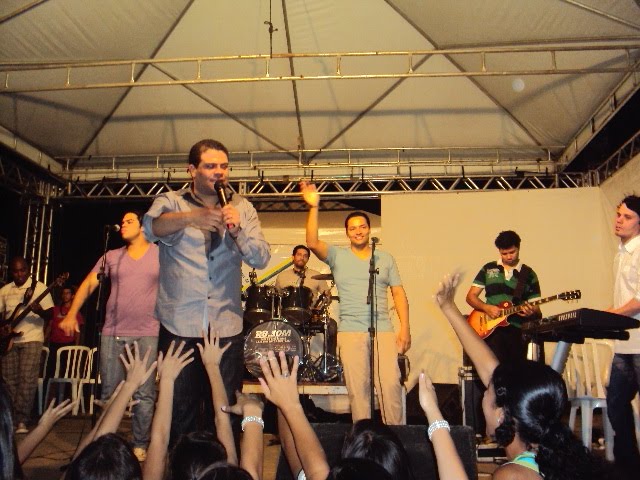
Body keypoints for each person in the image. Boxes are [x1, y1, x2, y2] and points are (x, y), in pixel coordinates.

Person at [143, 138, 270, 445]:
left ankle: (223, 465)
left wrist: (238, 232)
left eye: (224, 166)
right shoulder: (171, 201)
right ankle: (179, 464)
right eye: (210, 166)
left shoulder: (242, 207)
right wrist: (191, 217)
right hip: (179, 324)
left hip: (225, 325)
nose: (219, 172)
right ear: (192, 170)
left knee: (224, 409)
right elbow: (150, 229)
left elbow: (261, 258)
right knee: (178, 410)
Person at [437, 273, 614, 480]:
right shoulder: (556, 458)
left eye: (488, 391)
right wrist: (448, 307)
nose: (485, 390)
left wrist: (434, 418)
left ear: (501, 414)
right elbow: (488, 367)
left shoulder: (512, 475)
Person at [300, 181, 410, 424]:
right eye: (353, 228)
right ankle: (364, 437)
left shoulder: (385, 258)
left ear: (369, 229)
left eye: (362, 226)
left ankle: (396, 437)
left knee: (391, 386)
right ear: (347, 233)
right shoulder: (337, 256)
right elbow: (312, 242)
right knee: (358, 391)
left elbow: (399, 293)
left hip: (382, 330)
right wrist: (314, 207)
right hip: (350, 331)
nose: (358, 231)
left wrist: (405, 328)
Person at [59, 211, 160, 461]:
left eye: (129, 221)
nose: (123, 225)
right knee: (109, 393)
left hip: (147, 333)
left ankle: (140, 444)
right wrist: (71, 314)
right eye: (122, 222)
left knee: (144, 393)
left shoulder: (159, 254)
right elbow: (88, 284)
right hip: (113, 333)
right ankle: (106, 443)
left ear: (143, 227)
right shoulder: (112, 256)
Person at [465, 230, 541, 438]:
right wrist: (486, 308)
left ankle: (514, 428)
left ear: (518, 248)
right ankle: (488, 430)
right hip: (490, 331)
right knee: (491, 378)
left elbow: (536, 308)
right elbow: (471, 297)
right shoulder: (488, 269)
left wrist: (532, 311)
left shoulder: (528, 274)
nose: (508, 256)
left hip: (516, 331)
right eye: (504, 253)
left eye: (512, 252)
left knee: (514, 378)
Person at [605, 195, 640, 479]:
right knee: (616, 403)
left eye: (627, 217)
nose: (619, 220)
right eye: (618, 214)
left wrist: (611, 314)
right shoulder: (621, 252)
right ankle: (628, 465)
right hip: (625, 343)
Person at [0, 256, 54, 434]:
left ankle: (22, 419)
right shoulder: (5, 290)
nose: (19, 274)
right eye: (15, 271)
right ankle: (11, 418)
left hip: (32, 338)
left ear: (28, 270)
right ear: (11, 272)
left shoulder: (40, 288)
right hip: (9, 341)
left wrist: (40, 311)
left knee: (27, 380)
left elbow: (51, 315)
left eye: (22, 270)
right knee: (9, 381)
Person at [275, 244, 337, 357]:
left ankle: (329, 361)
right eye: (299, 254)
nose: (302, 257)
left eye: (305, 256)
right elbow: (276, 299)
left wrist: (322, 304)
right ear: (293, 257)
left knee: (332, 325)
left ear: (308, 259)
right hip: (287, 317)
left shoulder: (315, 275)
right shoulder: (282, 276)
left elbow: (327, 298)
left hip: (310, 316)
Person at [46, 285, 84, 379]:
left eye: (68, 293)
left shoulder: (75, 312)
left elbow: (77, 331)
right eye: (64, 293)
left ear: (72, 295)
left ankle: (66, 388)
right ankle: (47, 388)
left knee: (67, 371)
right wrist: (44, 339)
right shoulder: (55, 309)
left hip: (68, 345)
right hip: (54, 344)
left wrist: (76, 347)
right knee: (50, 371)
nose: (65, 295)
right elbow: (49, 325)